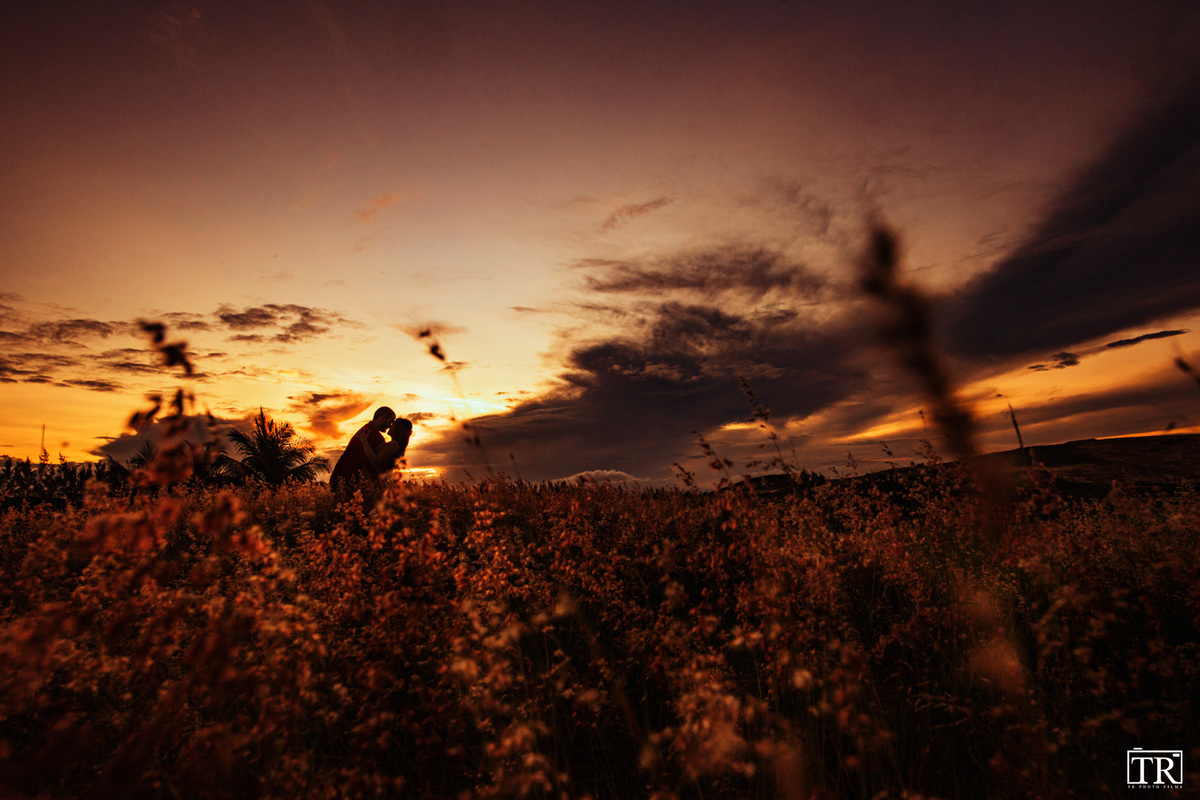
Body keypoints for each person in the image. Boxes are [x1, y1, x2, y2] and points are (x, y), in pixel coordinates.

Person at [329, 406, 395, 493]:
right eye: (390, 422)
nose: (390, 426)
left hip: (348, 480)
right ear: (382, 418)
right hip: (347, 480)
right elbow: (370, 463)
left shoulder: (374, 433)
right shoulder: (368, 432)